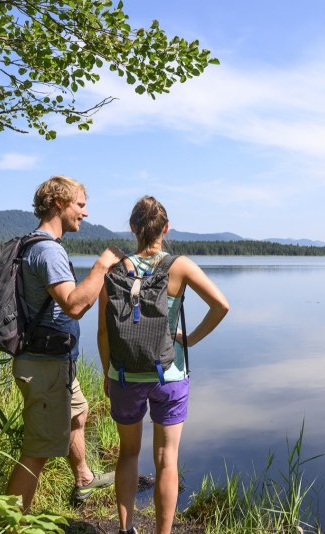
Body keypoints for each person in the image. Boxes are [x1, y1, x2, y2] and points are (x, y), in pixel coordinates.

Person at [97, 196, 229, 534]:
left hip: (124, 373)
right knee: (167, 459)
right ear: (166, 229)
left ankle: (126, 529)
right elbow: (221, 306)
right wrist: (190, 339)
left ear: (132, 228)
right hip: (169, 374)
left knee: (128, 454)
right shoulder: (179, 266)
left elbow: (103, 332)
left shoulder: (112, 267)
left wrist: (107, 373)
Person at [6, 175, 123, 511]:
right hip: (44, 368)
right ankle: (10, 524)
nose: (84, 213)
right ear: (59, 203)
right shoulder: (47, 251)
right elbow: (73, 304)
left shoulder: (38, 244)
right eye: (80, 205)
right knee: (37, 452)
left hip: (54, 363)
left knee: (78, 412)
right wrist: (101, 266)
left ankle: (83, 477)